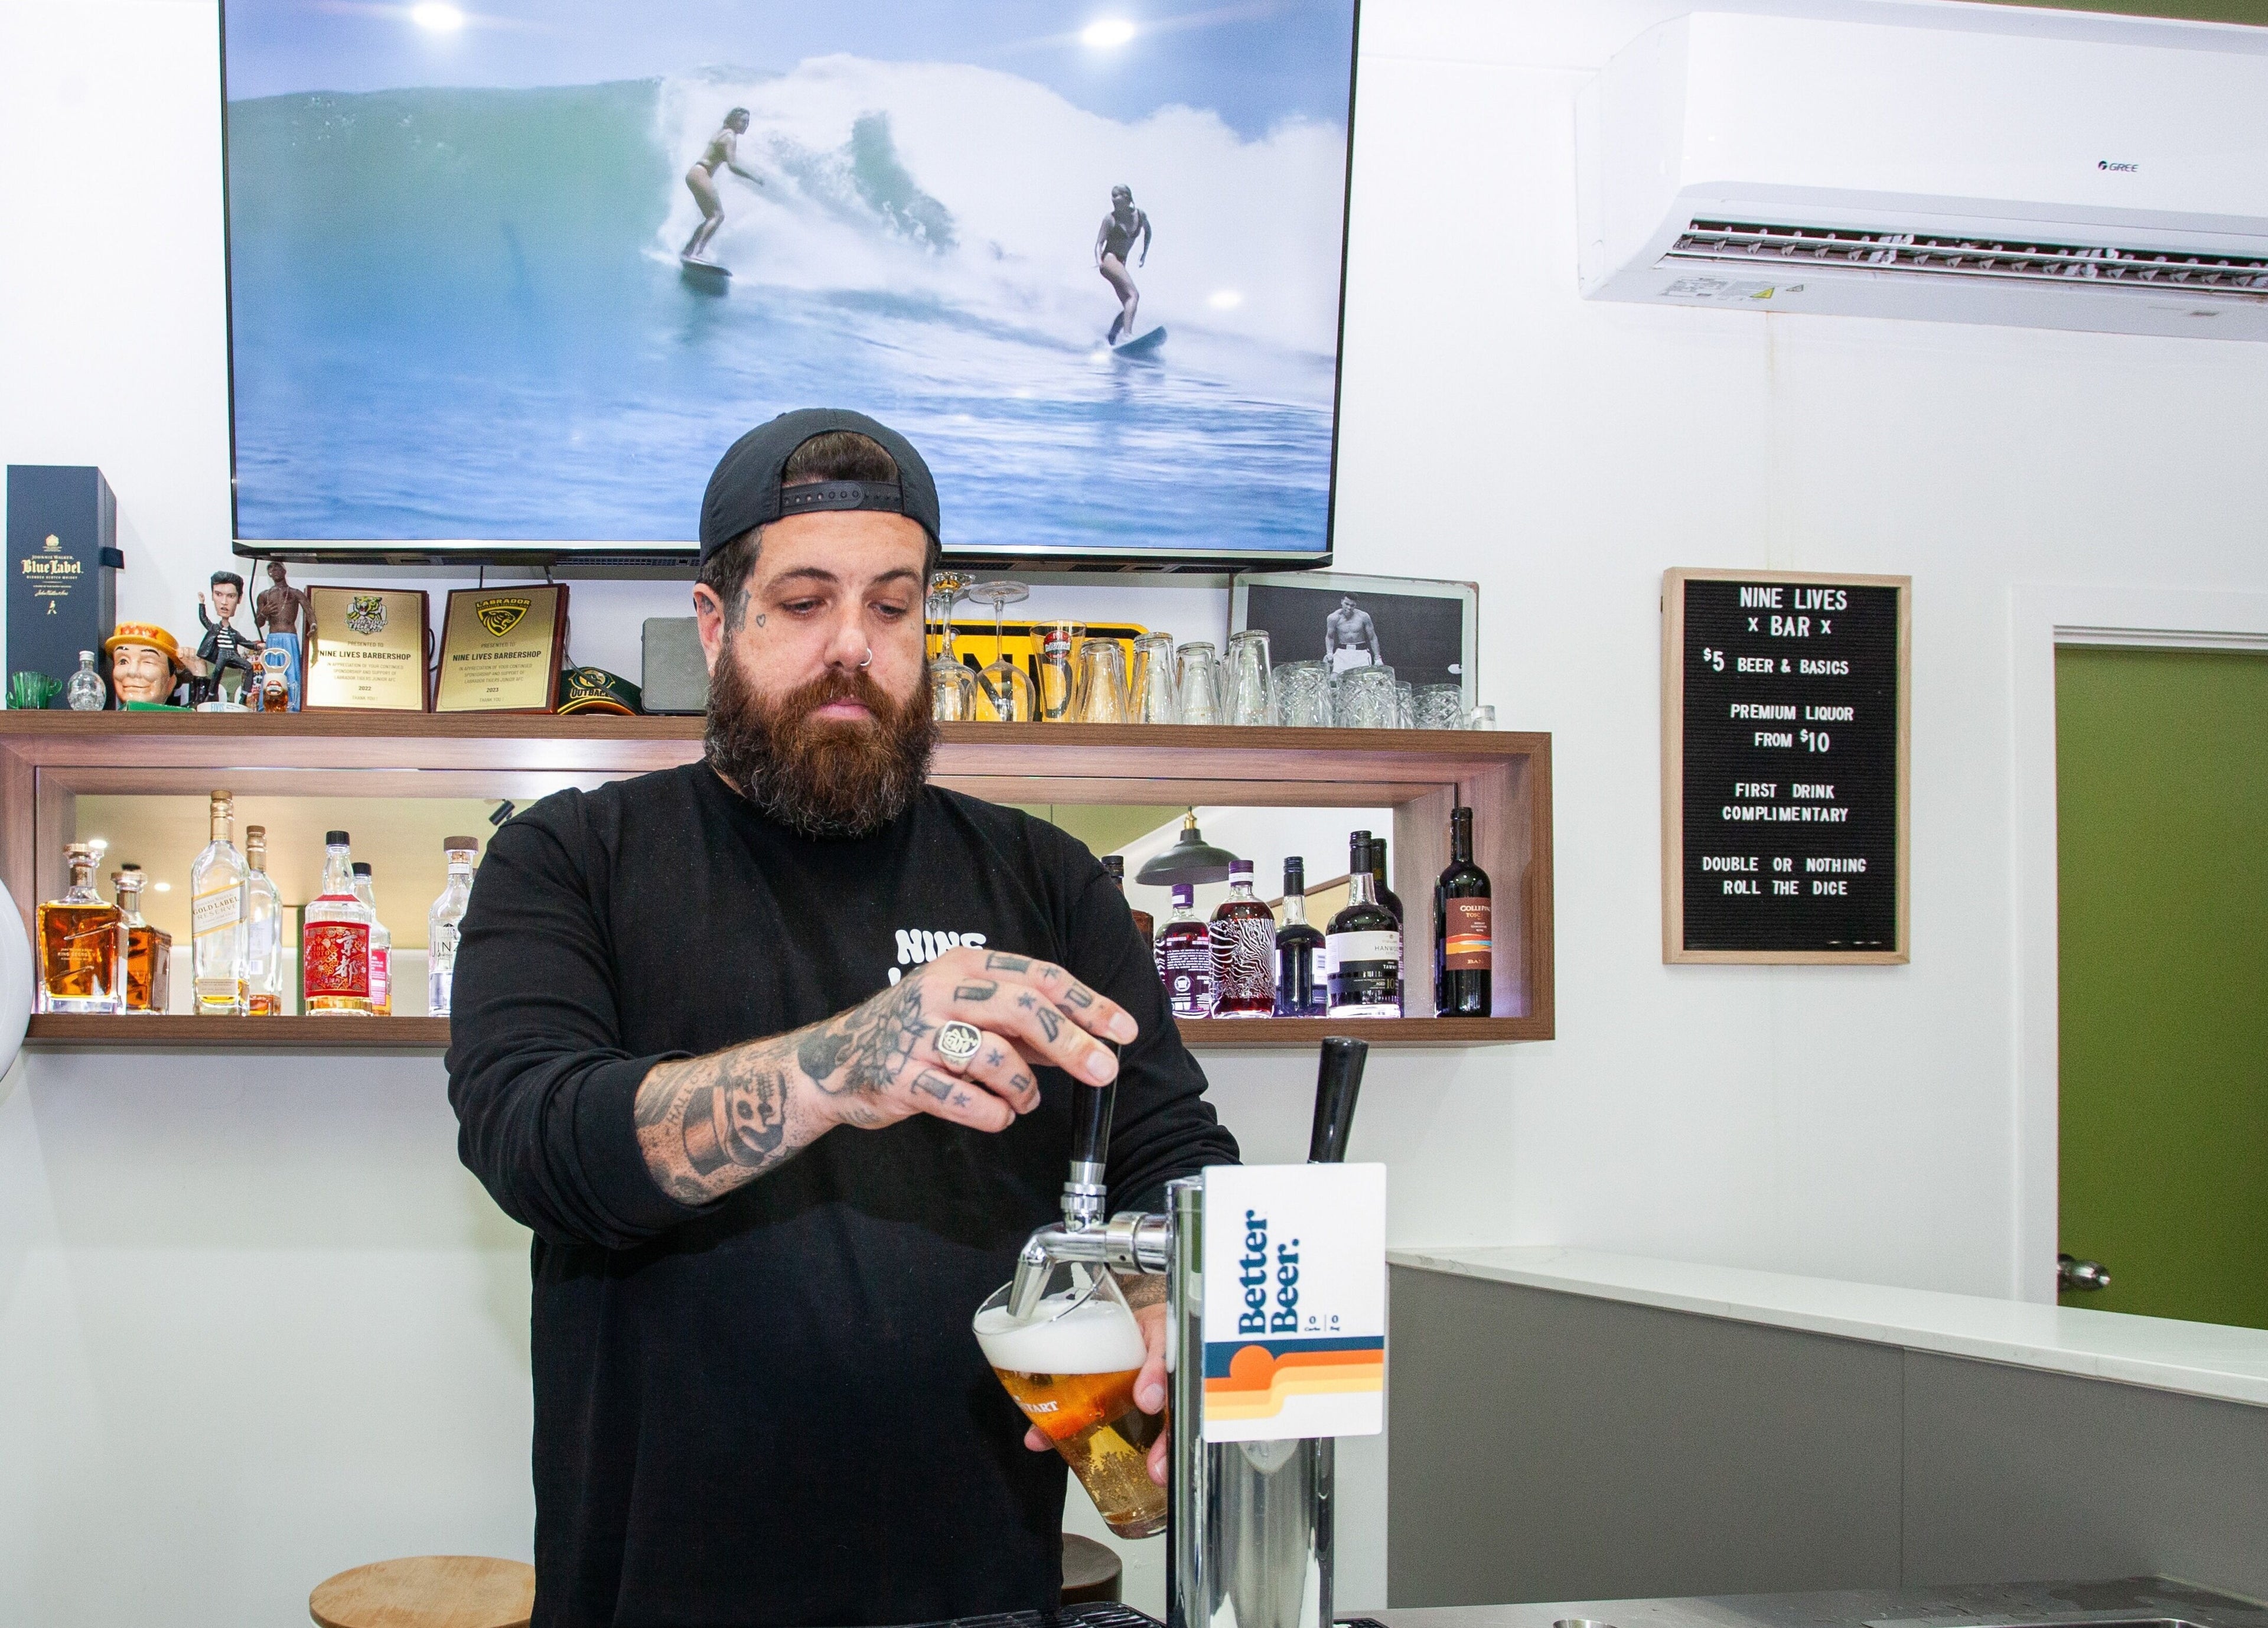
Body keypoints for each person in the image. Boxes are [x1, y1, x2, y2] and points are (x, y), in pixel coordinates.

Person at [447, 408, 1237, 1628]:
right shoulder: (570, 858)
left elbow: (1170, 1149)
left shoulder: (1047, 879)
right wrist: (838, 1064)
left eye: (892, 604)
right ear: (718, 623)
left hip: (978, 1585)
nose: (853, 646)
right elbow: (532, 1137)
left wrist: (1158, 1290)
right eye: (805, 600)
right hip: (660, 1589)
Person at [682, 106, 764, 264]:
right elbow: (732, 166)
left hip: (695, 173)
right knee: (718, 216)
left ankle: (688, 250)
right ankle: (697, 253)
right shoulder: (730, 137)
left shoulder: (722, 132)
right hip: (701, 173)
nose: (745, 125)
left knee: (711, 217)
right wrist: (753, 177)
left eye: (747, 123)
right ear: (733, 120)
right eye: (742, 121)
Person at [1093, 184, 1152, 344]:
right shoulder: (1110, 219)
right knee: (1134, 295)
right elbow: (1099, 244)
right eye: (1112, 196)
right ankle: (1127, 336)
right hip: (1109, 260)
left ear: (1126, 197)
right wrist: (1100, 261)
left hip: (1121, 262)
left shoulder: (1140, 216)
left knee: (1129, 302)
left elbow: (1148, 231)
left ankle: (1111, 337)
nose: (1113, 199)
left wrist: (1144, 253)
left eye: (1116, 196)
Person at [254, 559, 312, 709]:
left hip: (289, 637)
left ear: (284, 571)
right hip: (273, 638)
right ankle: (267, 705)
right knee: (270, 672)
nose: (273, 572)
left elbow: (309, 611)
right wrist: (264, 613)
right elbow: (259, 623)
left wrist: (313, 625)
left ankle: (294, 706)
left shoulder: (295, 593)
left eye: (277, 568)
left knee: (292, 672)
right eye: (270, 570)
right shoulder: (264, 595)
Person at [196, 571, 258, 695]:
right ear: (213, 596)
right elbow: (204, 619)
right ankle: (211, 695)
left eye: (231, 596)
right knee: (217, 671)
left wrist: (258, 646)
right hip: (221, 656)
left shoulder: (234, 634)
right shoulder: (214, 629)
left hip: (232, 655)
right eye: (218, 594)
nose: (224, 602)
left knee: (249, 667)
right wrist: (202, 604)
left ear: (239, 599)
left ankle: (245, 695)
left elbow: (245, 642)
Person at [1325, 594, 1383, 673]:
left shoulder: (1363, 616)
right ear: (1342, 602)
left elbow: (1372, 637)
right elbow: (1330, 637)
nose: (1349, 608)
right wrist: (1329, 653)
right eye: (1347, 604)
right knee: (1335, 679)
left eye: (1352, 605)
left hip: (1361, 653)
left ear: (1356, 605)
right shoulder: (1334, 618)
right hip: (1342, 652)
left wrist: (1378, 658)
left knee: (1360, 680)